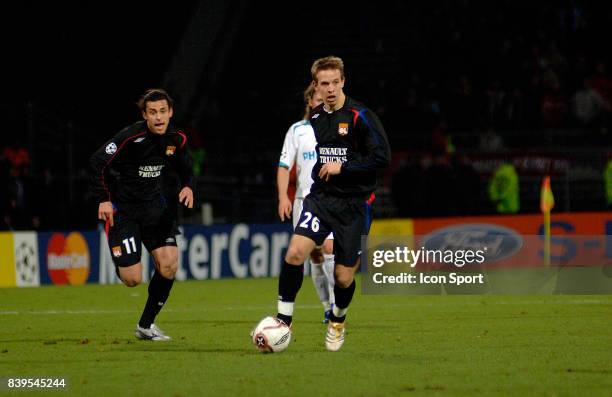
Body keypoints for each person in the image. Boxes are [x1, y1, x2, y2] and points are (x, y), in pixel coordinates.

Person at [276, 56, 391, 351]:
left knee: (342, 276)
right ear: (316, 85)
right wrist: (321, 173)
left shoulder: (360, 116)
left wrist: (343, 168)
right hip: (321, 199)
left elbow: (382, 158)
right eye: (323, 83)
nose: (329, 88)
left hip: (354, 205)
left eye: (334, 82)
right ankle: (282, 321)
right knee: (294, 253)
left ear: (343, 82)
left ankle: (337, 319)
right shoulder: (315, 118)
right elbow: (324, 157)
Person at [89, 89, 194, 341]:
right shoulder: (129, 136)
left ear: (170, 113)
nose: (158, 118)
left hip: (154, 209)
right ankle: (123, 261)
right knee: (132, 279)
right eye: (152, 112)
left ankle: (146, 326)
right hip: (123, 211)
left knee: (169, 264)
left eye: (162, 112)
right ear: (144, 115)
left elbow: (186, 167)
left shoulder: (176, 139)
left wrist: (189, 185)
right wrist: (103, 199)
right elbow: (97, 162)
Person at [277, 84, 335, 323]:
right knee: (315, 256)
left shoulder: (337, 127)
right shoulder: (297, 130)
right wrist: (283, 196)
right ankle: (326, 307)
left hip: (331, 199)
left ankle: (335, 304)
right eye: (317, 97)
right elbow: (283, 166)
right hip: (304, 201)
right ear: (310, 101)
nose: (321, 100)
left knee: (330, 249)